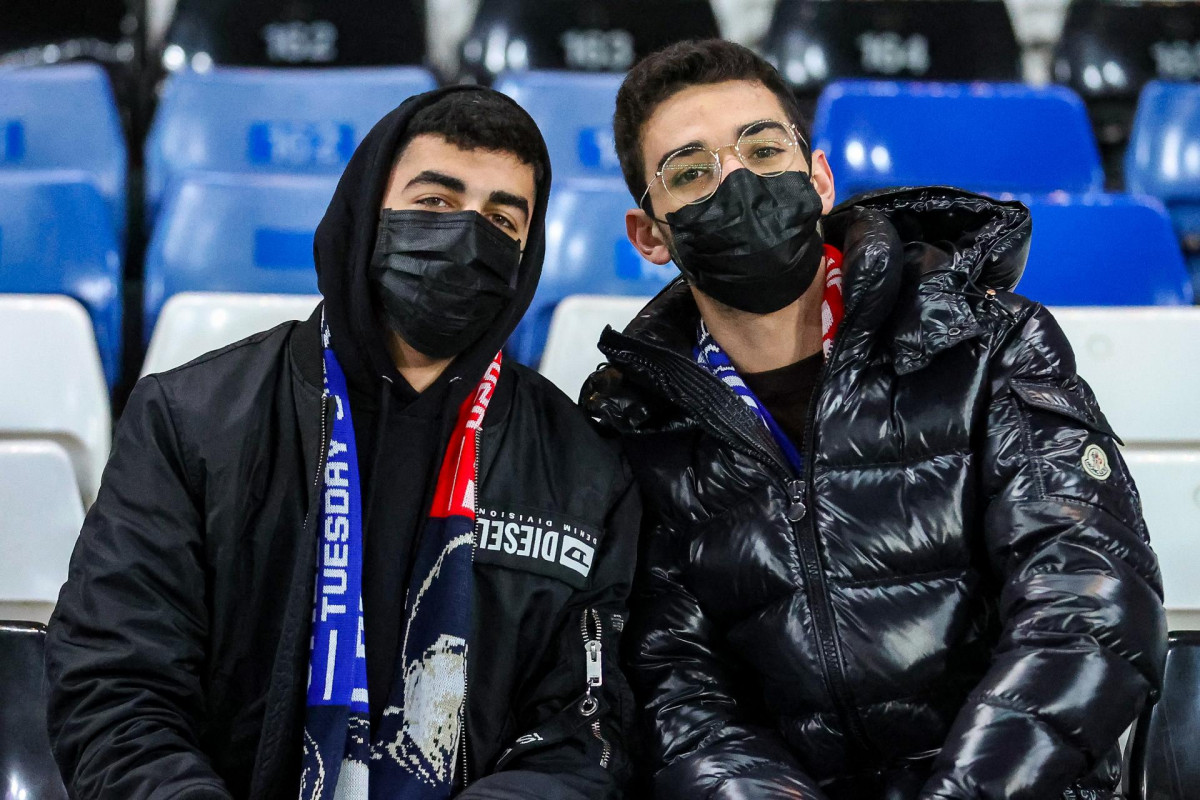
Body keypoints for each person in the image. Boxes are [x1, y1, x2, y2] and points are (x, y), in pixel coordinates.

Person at [583, 39, 1166, 800]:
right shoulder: (637, 428)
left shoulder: (989, 344)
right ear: (649, 234)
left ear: (818, 178)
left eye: (762, 148)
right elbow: (679, 700)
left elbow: (1088, 603)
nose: (736, 181)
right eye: (691, 172)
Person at [46, 86, 638, 800]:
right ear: (365, 215)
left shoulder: (584, 469)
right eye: (436, 203)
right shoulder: (191, 421)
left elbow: (586, 735)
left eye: (501, 219)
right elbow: (115, 686)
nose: (467, 237)